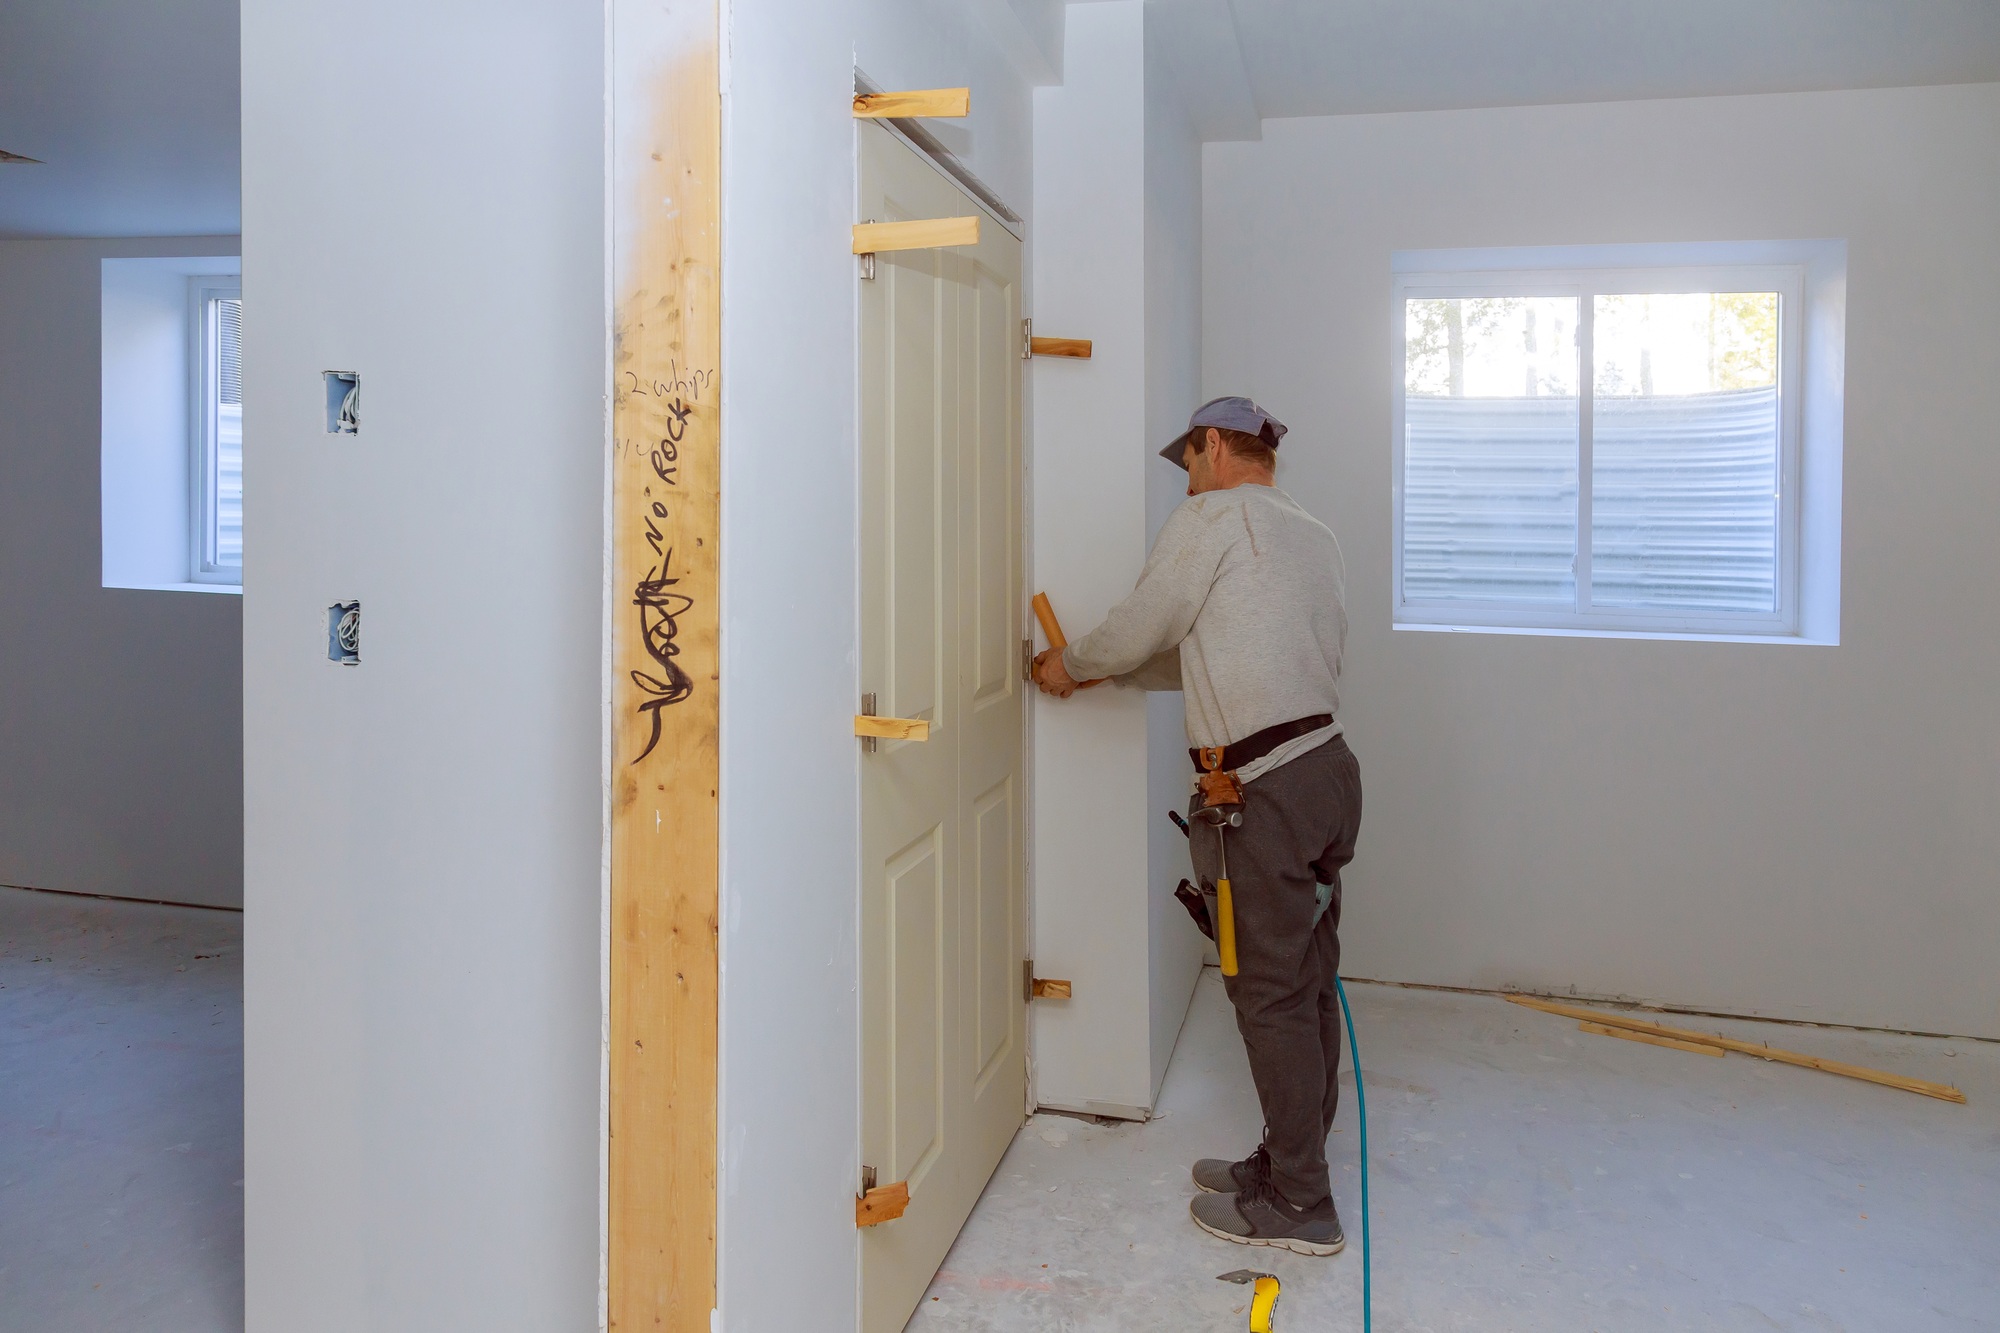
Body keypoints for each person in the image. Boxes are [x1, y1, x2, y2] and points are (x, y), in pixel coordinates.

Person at [1032, 396, 1360, 1258]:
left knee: (1270, 994)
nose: (1188, 480)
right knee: (1308, 979)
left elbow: (1147, 622)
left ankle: (1299, 1201)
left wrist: (1069, 663)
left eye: (1188, 462)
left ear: (1212, 446)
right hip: (1326, 772)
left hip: (1261, 789)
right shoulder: (1310, 533)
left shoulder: (1210, 517)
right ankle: (1292, 1159)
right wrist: (1110, 676)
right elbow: (1214, 647)